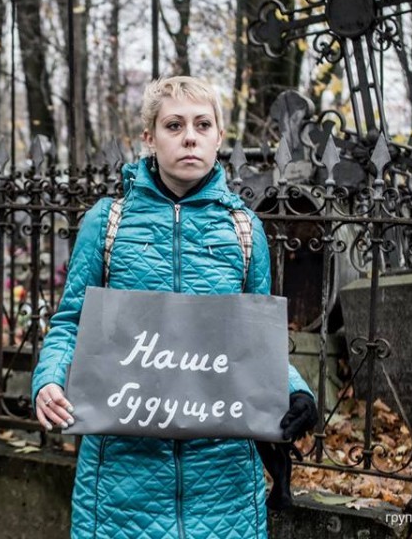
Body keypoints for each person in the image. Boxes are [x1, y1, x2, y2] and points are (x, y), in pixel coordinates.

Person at [32, 76, 318, 538]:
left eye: (202, 124)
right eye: (174, 125)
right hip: (122, 483)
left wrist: (296, 391)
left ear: (219, 137)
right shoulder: (107, 223)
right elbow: (71, 323)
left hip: (223, 482)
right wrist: (47, 380)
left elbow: (255, 344)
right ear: (149, 138)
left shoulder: (243, 229)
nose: (189, 136)